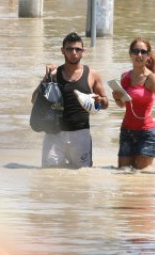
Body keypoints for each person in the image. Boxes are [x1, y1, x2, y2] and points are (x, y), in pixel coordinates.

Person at [33, 32, 108, 168]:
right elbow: (34, 100)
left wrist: (99, 101)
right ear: (63, 50)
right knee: (49, 175)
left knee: (82, 175)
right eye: (69, 49)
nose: (74, 53)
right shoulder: (54, 75)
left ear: (83, 51)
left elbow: (105, 103)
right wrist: (46, 78)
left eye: (78, 49)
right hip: (54, 134)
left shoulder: (92, 74)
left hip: (81, 134)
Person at [110, 38, 155, 170]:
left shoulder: (151, 78)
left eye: (143, 52)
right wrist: (116, 98)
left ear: (148, 56)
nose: (139, 55)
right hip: (127, 131)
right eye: (136, 51)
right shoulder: (125, 76)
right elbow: (121, 105)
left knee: (142, 178)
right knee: (123, 174)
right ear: (130, 54)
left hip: (146, 133)